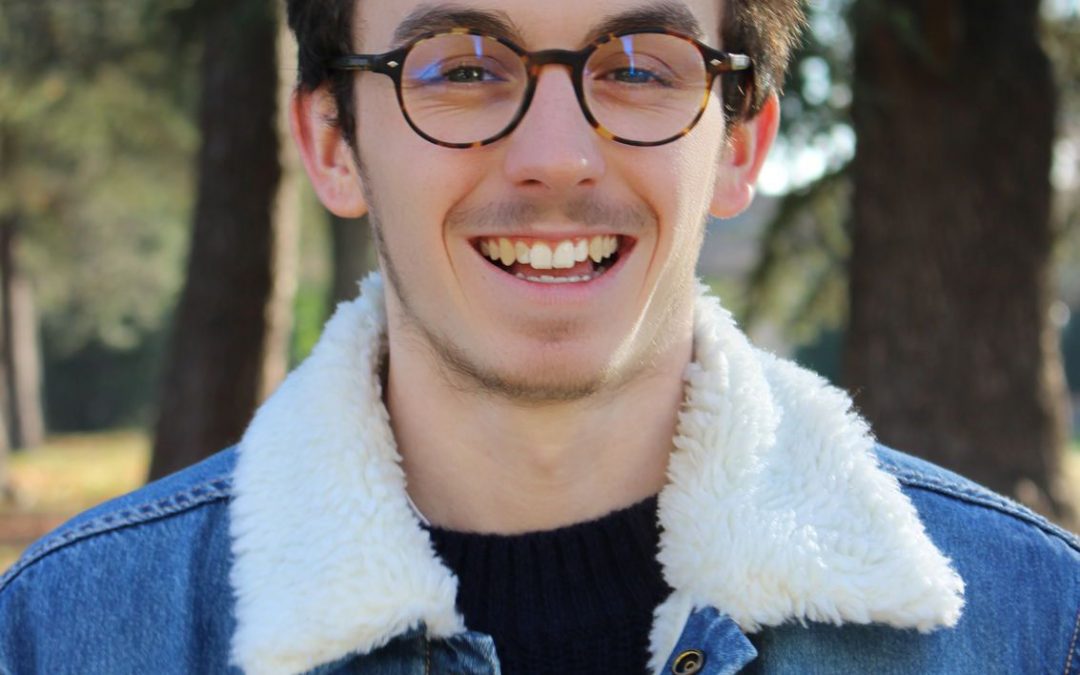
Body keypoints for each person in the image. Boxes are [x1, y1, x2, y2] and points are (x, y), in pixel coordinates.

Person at [2, 0, 1078, 672]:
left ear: (742, 141)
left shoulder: (1039, 629)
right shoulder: (60, 638)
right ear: (332, 142)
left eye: (640, 66)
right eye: (464, 67)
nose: (556, 157)